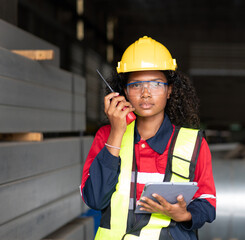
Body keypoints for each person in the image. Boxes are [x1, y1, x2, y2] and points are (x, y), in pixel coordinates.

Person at [80, 36, 216, 240]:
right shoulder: (106, 136)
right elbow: (95, 199)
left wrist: (185, 215)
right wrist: (117, 132)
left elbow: (208, 202)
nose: (145, 93)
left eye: (155, 84)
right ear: (124, 91)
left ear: (170, 90)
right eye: (136, 85)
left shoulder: (193, 143)